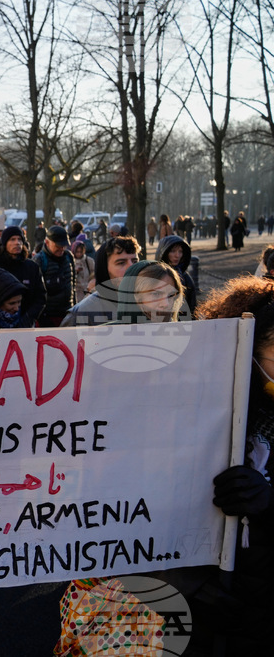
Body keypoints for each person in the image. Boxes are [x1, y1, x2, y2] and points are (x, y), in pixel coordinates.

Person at [153, 275, 274, 653]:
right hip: (196, 621)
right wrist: (188, 588)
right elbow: (140, 518)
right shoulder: (190, 417)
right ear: (246, 351)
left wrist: (271, 504)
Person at [60, 236, 141, 327]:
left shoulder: (148, 305)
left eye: (135, 261)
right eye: (121, 263)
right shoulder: (82, 314)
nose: (131, 268)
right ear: (104, 269)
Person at [34, 225, 75, 327]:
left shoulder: (69, 257)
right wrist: (41, 318)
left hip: (67, 313)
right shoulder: (39, 260)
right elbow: (34, 293)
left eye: (64, 246)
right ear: (47, 242)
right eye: (58, 246)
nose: (62, 249)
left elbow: (72, 284)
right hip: (47, 317)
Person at [155, 234, 197, 316]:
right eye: (173, 251)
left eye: (180, 252)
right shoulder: (154, 276)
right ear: (164, 252)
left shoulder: (185, 277)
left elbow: (192, 306)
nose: (177, 255)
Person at [72, 240, 95, 304]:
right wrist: (75, 271)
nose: (79, 254)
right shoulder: (71, 262)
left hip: (87, 292)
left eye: (81, 252)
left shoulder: (89, 261)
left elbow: (93, 274)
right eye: (77, 252)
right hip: (77, 293)